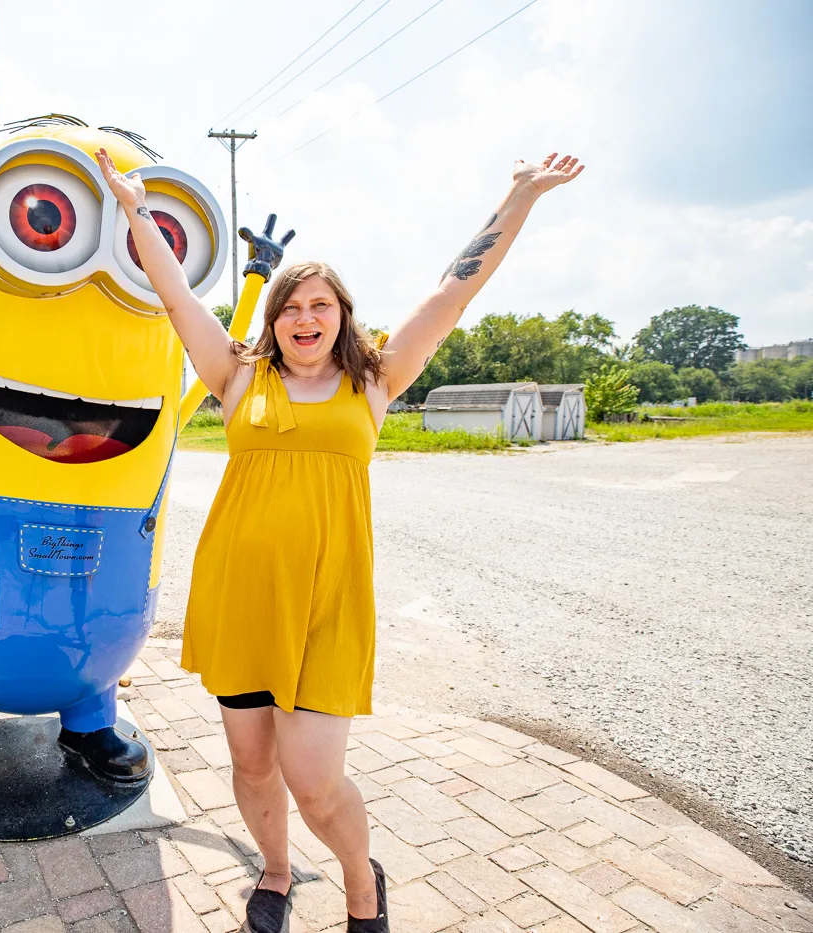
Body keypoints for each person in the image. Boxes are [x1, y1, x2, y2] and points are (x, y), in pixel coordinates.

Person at [96, 148, 584, 932]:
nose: (305, 318)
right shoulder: (235, 375)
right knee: (252, 766)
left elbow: (453, 290)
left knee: (316, 781)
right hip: (243, 596)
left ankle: (362, 881)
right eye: (291, 306)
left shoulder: (376, 381)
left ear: (341, 316)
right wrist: (132, 207)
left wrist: (518, 197)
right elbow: (175, 291)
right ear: (275, 318)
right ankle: (278, 871)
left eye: (320, 306)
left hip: (328, 603)